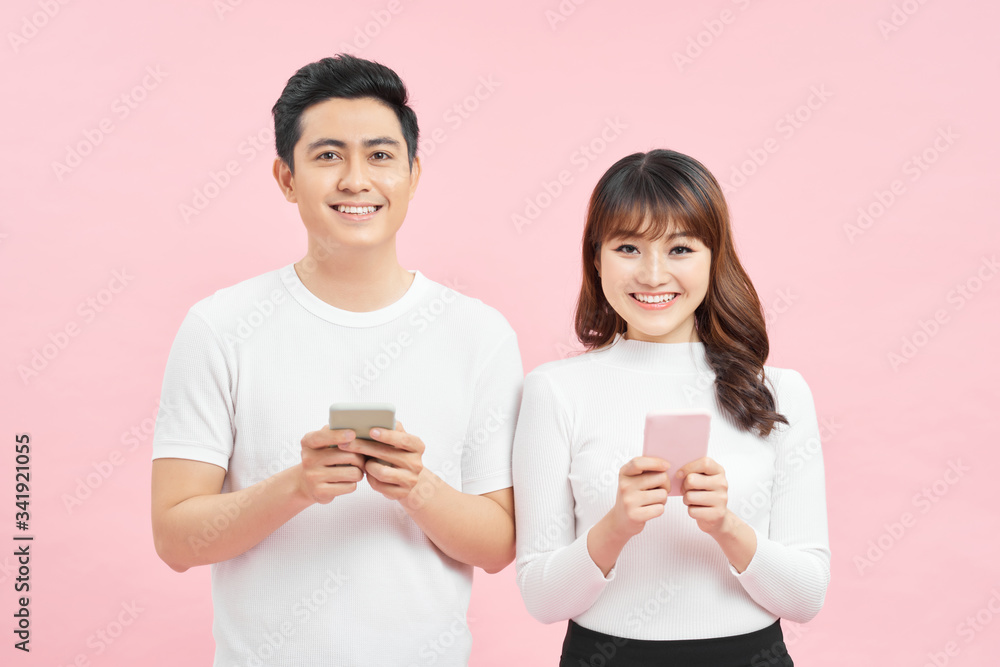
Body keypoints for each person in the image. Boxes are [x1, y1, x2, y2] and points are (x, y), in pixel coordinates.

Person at [150, 54, 523, 666]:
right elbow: (175, 538)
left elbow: (498, 544)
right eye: (328, 156)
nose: (356, 180)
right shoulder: (219, 327)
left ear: (413, 172)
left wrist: (417, 489)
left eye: (380, 155)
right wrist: (297, 486)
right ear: (286, 177)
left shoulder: (479, 335)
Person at [512, 149, 830, 666]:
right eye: (628, 248)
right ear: (596, 258)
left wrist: (727, 525)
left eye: (680, 248)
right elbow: (542, 600)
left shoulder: (780, 391)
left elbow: (806, 597)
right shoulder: (555, 391)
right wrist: (617, 525)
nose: (654, 275)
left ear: (713, 257)